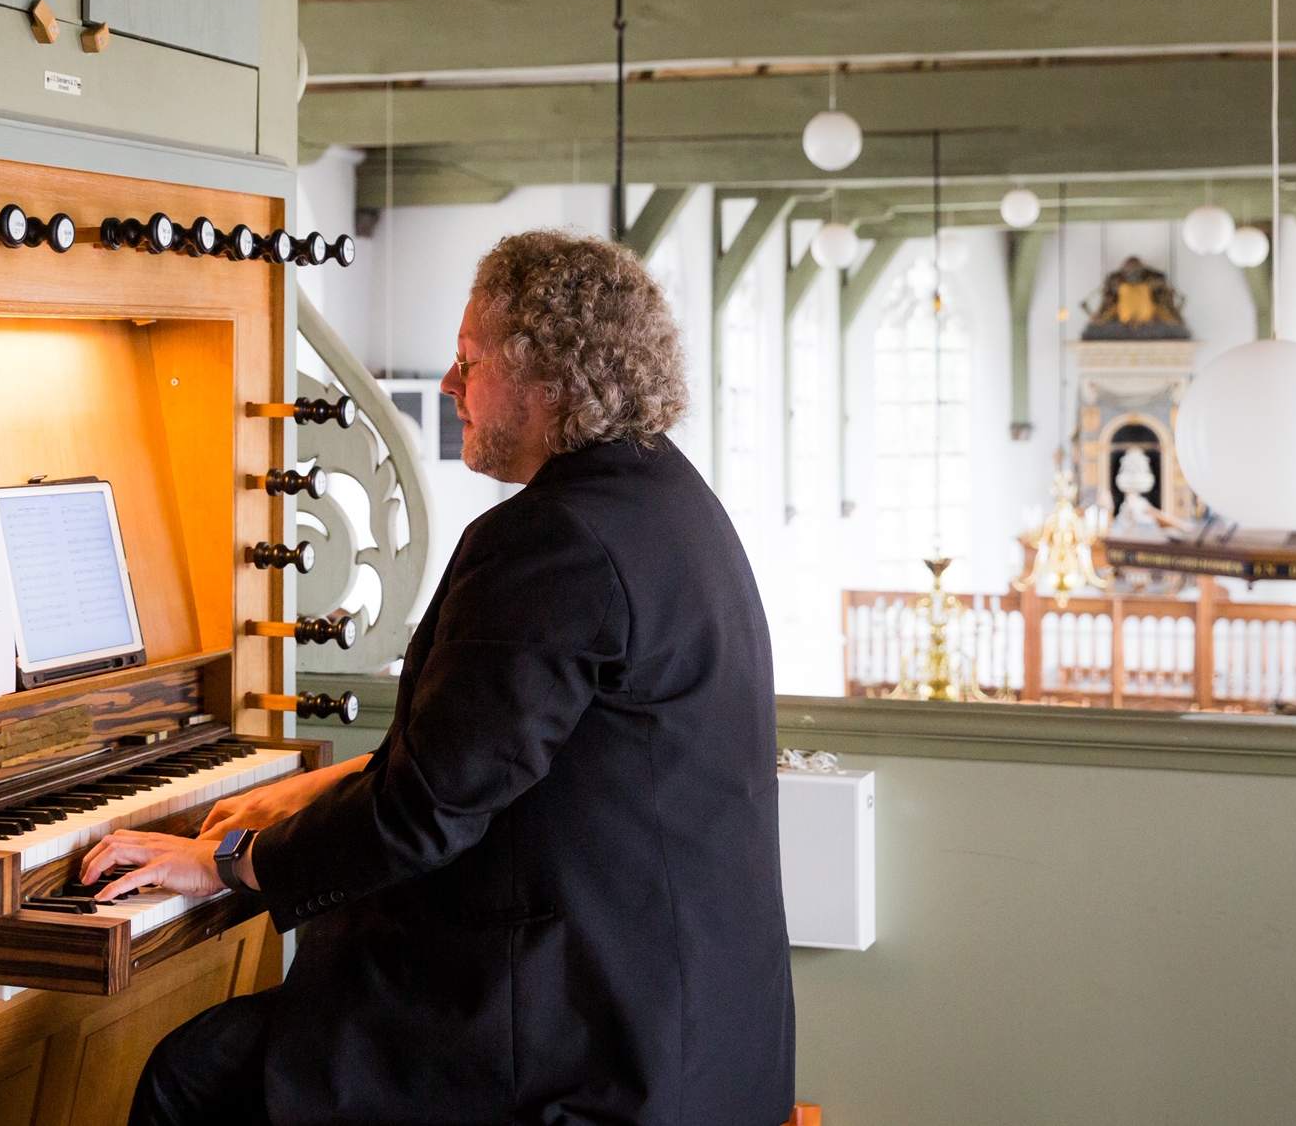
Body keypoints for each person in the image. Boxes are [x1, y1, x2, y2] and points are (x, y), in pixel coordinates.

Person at [79, 230, 795, 1125]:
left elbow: (426, 811)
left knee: (194, 1080)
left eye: (468, 361)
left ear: (549, 381)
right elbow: (504, 754)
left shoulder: (553, 541)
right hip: (692, 1035)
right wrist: (302, 795)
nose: (450, 386)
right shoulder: (666, 499)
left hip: (587, 1056)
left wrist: (229, 864)